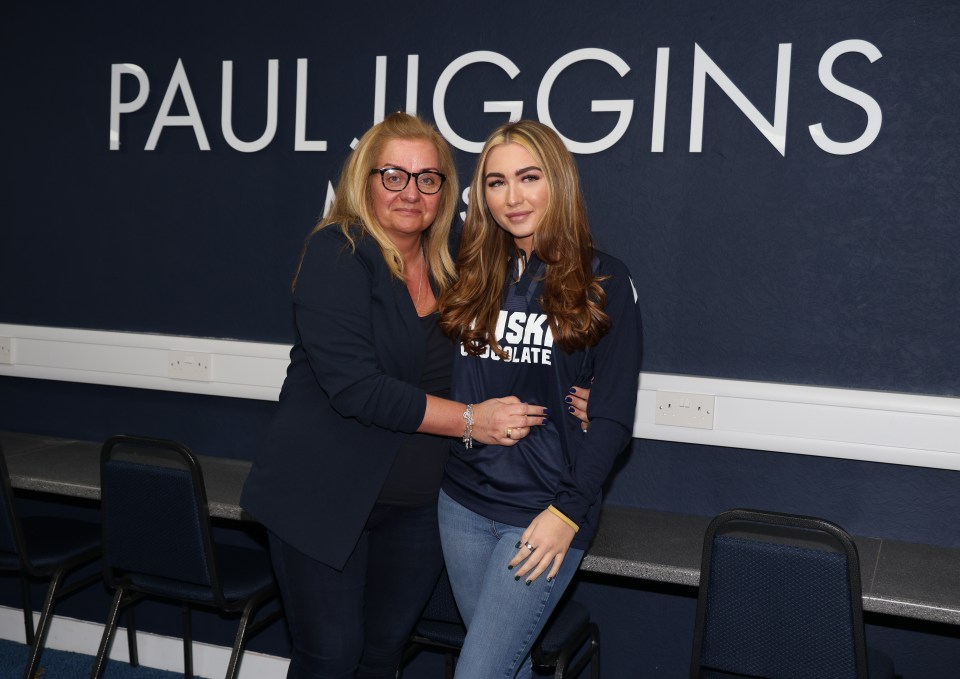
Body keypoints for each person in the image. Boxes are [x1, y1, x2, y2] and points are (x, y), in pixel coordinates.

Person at [239, 112, 589, 679]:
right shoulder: (339, 252)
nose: (411, 191)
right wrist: (472, 420)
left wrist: (584, 391)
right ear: (364, 180)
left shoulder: (460, 264)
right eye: (394, 176)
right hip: (324, 497)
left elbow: (512, 353)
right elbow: (359, 391)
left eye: (428, 178)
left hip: (421, 506)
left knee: (381, 656)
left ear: (445, 191)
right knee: (329, 658)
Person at [437, 119, 641, 678]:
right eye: (496, 182)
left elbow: (615, 418)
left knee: (478, 674)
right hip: (461, 504)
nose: (512, 197)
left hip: (543, 515)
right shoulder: (471, 269)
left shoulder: (605, 280)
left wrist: (567, 512)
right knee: (507, 667)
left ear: (559, 182)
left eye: (528, 177)